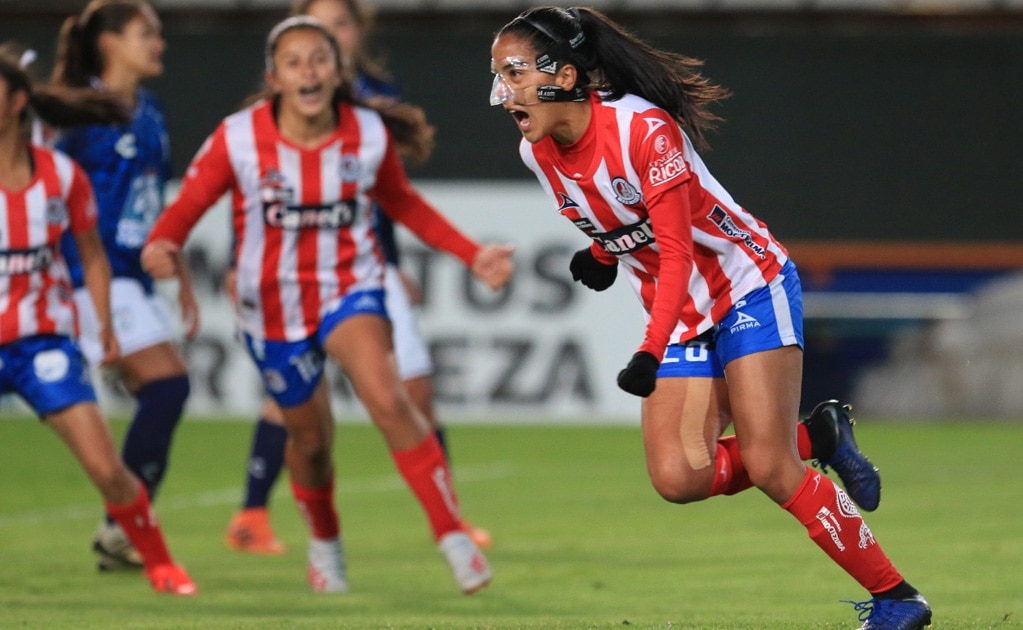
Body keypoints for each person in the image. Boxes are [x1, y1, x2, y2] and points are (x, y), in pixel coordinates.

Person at [489, 7, 930, 630]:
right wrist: (600, 251)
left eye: (514, 73)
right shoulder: (539, 154)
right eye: (499, 75)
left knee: (774, 468)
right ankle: (819, 438)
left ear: (563, 75)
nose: (504, 91)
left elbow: (675, 249)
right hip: (683, 310)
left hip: (748, 287)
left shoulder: (645, 131)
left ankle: (898, 597)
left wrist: (647, 350)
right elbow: (624, 218)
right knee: (678, 477)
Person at [142, 16, 513, 594]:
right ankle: (325, 541)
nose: (309, 71)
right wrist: (162, 245)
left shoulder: (366, 133)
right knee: (311, 442)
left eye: (319, 59)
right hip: (271, 310)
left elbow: (404, 204)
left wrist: (472, 254)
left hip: (350, 286)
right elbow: (185, 208)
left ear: (337, 71)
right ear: (275, 77)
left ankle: (452, 536)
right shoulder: (238, 138)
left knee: (388, 397)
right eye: (295, 62)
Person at [224, 0, 491, 556]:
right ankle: (254, 514)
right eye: (315, 29)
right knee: (296, 409)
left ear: (354, 35)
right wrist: (237, 262)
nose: (326, 40)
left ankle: (450, 523)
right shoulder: (269, 113)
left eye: (339, 26)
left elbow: (389, 195)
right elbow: (254, 193)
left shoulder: (374, 98)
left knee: (409, 393)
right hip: (286, 281)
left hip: (358, 272)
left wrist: (392, 262)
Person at [0, 46, 196, 596]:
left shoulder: (61, 176)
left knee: (107, 468)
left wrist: (104, 325)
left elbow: (90, 253)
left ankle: (159, 563)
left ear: (17, 102)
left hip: (43, 342)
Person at [49, 0, 196, 573]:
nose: (158, 43)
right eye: (146, 33)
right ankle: (122, 526)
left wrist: (176, 267)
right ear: (109, 43)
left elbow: (148, 202)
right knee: (165, 387)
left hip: (132, 275)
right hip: (86, 275)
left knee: (164, 391)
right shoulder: (75, 110)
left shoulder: (149, 110)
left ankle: (122, 527)